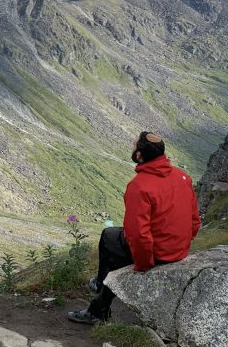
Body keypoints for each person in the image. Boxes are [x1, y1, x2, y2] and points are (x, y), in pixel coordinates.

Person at [67, 131, 201, 324]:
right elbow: (195, 220)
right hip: (179, 249)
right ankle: (99, 296)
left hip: (159, 252)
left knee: (109, 237)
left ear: (139, 155)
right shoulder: (183, 177)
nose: (131, 148)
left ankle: (99, 292)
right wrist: (182, 244)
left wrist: (143, 264)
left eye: (134, 145)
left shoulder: (140, 186)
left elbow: (138, 234)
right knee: (117, 242)